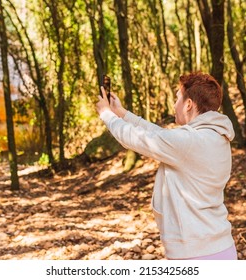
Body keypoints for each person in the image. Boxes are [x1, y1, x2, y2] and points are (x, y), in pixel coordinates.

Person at [95, 72, 237, 260]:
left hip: (196, 254)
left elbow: (138, 139)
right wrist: (121, 113)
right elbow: (162, 136)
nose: (173, 104)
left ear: (188, 104)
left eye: (177, 98)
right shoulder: (213, 137)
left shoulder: (189, 142)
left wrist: (106, 114)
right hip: (220, 247)